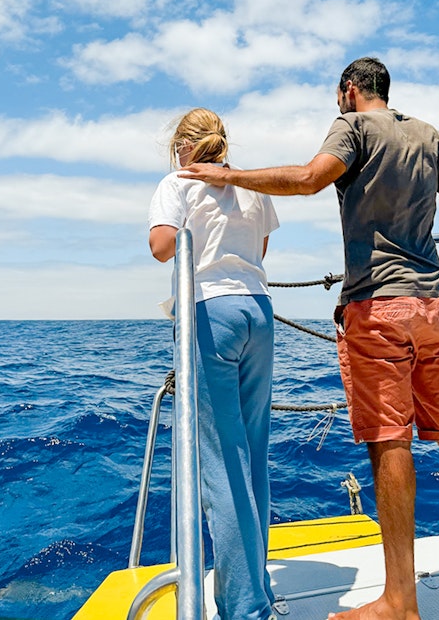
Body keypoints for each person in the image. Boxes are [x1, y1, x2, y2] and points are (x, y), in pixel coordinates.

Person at [179, 59, 439, 618]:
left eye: (338, 94)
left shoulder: (355, 128)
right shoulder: (427, 134)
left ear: (350, 89)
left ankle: (400, 602)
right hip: (434, 305)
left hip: (379, 308)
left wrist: (231, 175)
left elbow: (311, 178)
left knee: (391, 443)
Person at [148, 108, 280, 620]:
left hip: (210, 313)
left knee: (222, 466)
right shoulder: (251, 187)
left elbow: (162, 247)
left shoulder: (176, 183)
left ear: (183, 145)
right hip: (258, 311)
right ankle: (257, 585)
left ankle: (246, 609)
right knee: (254, 453)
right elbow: (261, 247)